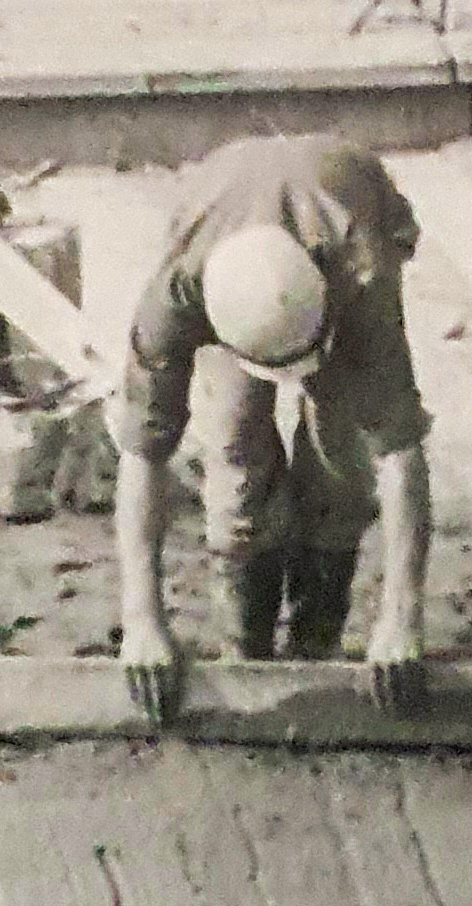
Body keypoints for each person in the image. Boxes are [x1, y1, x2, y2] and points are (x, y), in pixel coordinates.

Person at [111, 135, 432, 722]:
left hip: (342, 226)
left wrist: (400, 620)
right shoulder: (177, 293)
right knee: (234, 448)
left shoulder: (362, 276)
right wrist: (142, 623)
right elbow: (141, 452)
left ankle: (316, 641)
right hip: (222, 225)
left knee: (340, 461)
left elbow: (399, 452)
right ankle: (248, 646)